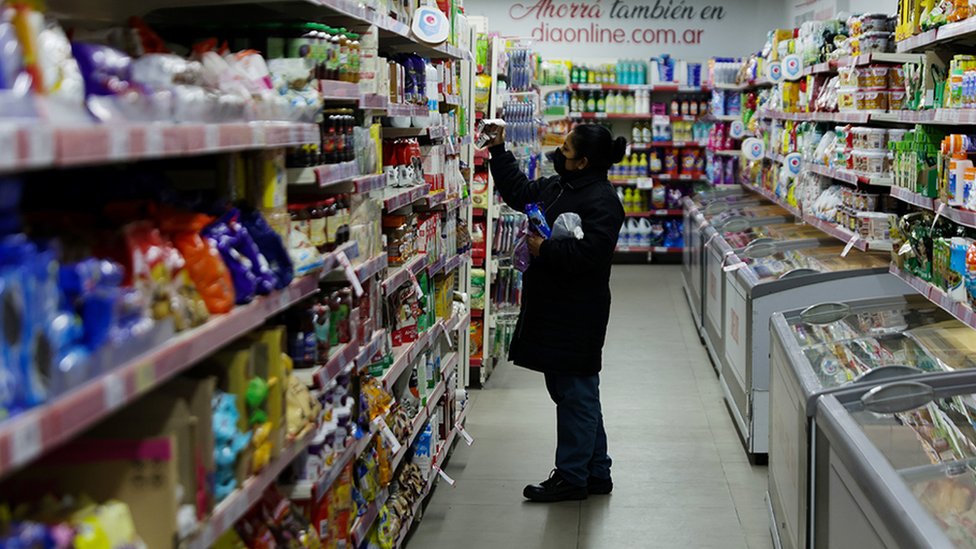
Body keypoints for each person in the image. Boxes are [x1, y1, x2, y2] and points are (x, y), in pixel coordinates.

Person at [485, 123, 626, 502]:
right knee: (575, 392)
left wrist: (544, 250)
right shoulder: (559, 186)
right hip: (553, 308)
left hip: (578, 311)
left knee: (575, 393)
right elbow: (519, 192)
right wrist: (499, 150)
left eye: (564, 151)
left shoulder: (602, 201)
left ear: (582, 162)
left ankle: (571, 476)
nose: (556, 154)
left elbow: (590, 257)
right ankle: (596, 471)